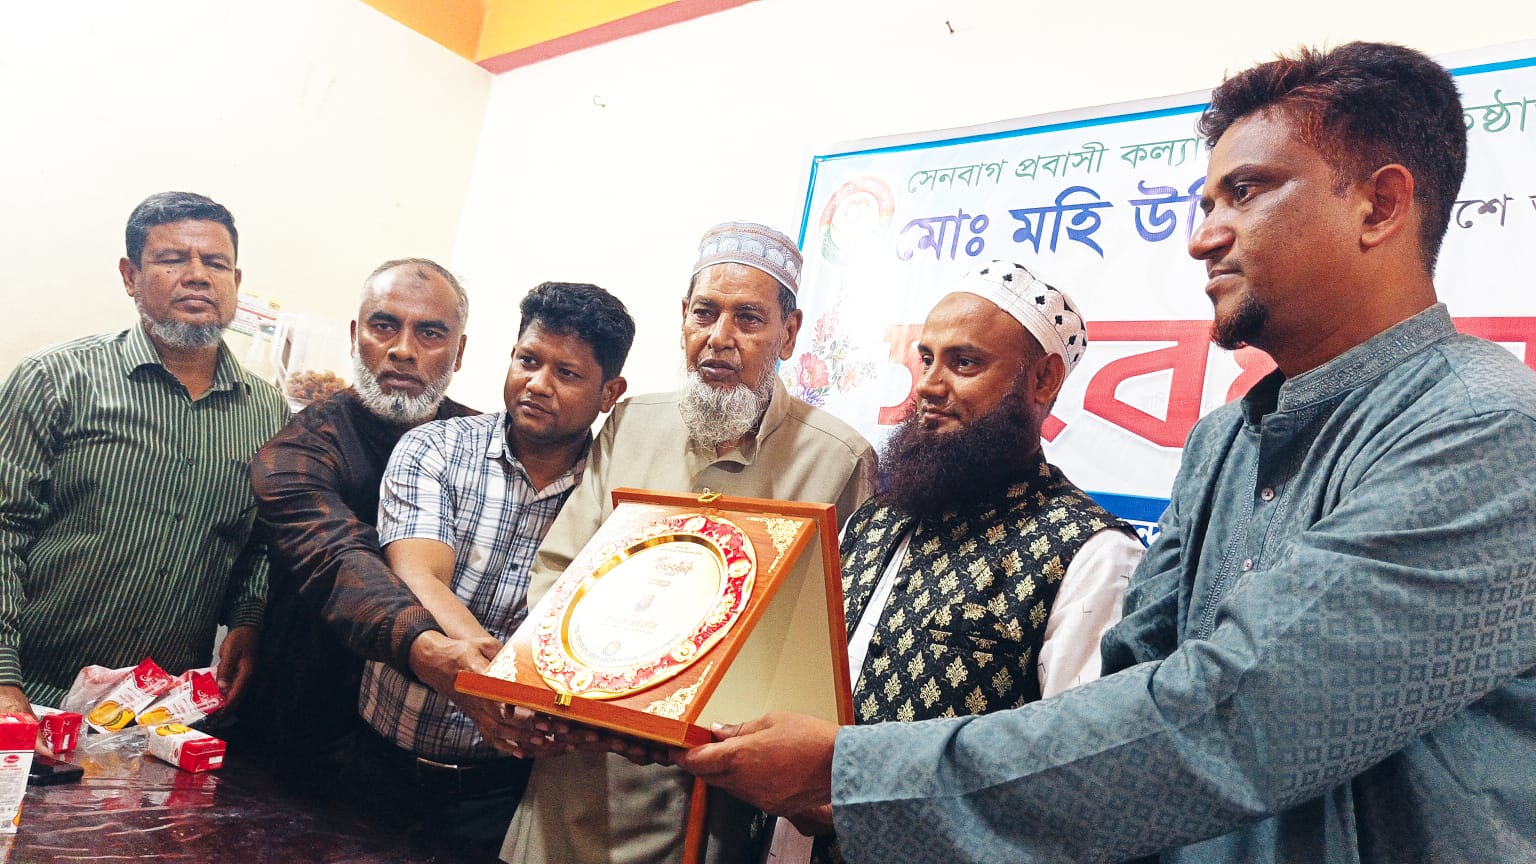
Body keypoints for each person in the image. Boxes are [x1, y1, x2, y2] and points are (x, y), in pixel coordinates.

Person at [676, 42, 1536, 863]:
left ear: (1379, 206)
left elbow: (1238, 721)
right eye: (1207, 204)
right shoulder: (1224, 441)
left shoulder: (1486, 430)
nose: (1203, 237)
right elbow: (1125, 687)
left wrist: (849, 774)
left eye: (1245, 193)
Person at [501, 222, 877, 864]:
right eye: (705, 313)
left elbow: (832, 642)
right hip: (581, 765)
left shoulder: (837, 459)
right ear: (683, 319)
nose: (719, 338)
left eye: (748, 319)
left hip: (712, 794)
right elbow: (561, 571)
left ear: (788, 333)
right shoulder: (632, 422)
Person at [768, 261, 1143, 863]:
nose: (927, 386)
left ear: (1043, 379)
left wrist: (865, 802)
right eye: (925, 359)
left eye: (964, 363)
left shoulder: (1091, 554)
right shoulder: (877, 517)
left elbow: (1074, 782)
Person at [349, 281, 635, 854]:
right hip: (378, 760)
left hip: (503, 787)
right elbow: (418, 576)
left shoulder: (613, 498)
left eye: (567, 373)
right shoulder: (435, 448)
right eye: (528, 360)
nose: (538, 384)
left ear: (610, 393)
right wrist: (499, 678)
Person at [0, 191, 288, 719]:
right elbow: (5, 529)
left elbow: (259, 544)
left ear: (236, 281)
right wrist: (2, 677)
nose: (197, 276)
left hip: (159, 711)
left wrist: (247, 617)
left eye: (216, 263)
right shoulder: (56, 379)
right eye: (173, 259)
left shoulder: (269, 412)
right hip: (31, 695)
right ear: (130, 276)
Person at [237, 258, 480, 785]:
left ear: (459, 352)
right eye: (384, 325)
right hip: (300, 727)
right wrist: (428, 649)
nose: (403, 349)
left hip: (430, 742)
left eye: (430, 333)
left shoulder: (481, 445)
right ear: (355, 336)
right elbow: (339, 560)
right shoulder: (297, 449)